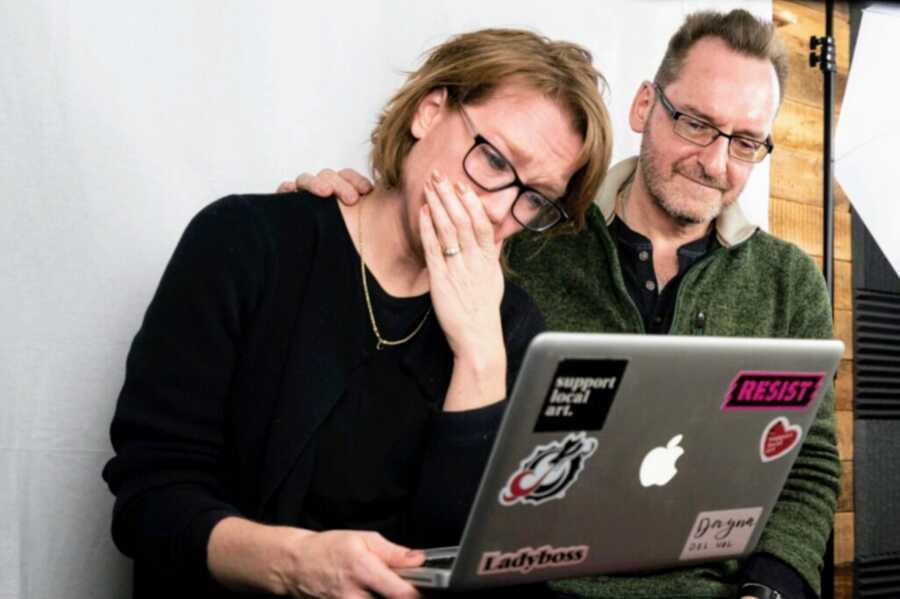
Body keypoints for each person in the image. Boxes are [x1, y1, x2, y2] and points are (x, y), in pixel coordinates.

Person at [281, 10, 840, 599]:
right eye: (697, 124)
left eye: (747, 142)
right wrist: (344, 218)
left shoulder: (789, 281)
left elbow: (810, 467)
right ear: (645, 105)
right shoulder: (522, 230)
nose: (717, 162)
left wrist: (770, 589)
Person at [102, 29, 612, 598]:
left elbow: (478, 568)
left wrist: (479, 356)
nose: (498, 211)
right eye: (493, 159)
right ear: (429, 110)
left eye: (534, 198)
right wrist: (294, 564)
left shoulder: (514, 328)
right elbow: (150, 498)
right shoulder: (245, 243)